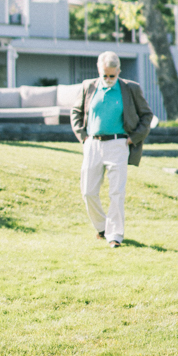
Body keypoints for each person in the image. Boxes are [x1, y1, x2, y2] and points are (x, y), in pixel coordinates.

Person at [71, 51, 153, 247]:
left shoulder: (130, 88)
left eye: (112, 76)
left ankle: (115, 235)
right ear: (99, 71)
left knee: (116, 191)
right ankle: (102, 227)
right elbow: (76, 111)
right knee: (88, 191)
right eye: (104, 75)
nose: (108, 79)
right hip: (93, 144)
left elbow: (146, 115)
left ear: (119, 71)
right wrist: (83, 136)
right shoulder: (88, 86)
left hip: (118, 144)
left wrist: (133, 139)